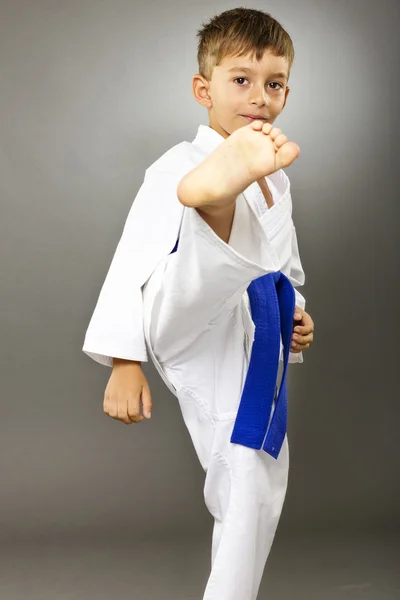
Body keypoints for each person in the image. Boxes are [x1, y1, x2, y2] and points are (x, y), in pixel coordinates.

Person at [82, 7, 315, 600]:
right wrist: (123, 361)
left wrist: (295, 316)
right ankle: (212, 201)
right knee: (245, 473)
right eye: (241, 80)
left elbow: (283, 265)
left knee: (253, 473)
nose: (259, 96)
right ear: (202, 89)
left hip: (242, 333)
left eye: (275, 83)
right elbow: (133, 255)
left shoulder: (277, 178)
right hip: (180, 309)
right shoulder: (172, 168)